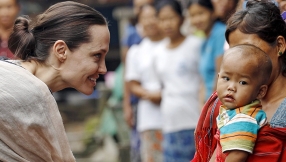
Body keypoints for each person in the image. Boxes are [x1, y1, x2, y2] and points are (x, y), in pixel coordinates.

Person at [0, 1, 109, 161]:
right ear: (61, 50)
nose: (103, 69)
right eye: (97, 56)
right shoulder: (32, 93)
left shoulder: (11, 73)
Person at [192, 0, 286, 162]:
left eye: (250, 49)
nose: (241, 62)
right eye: (235, 51)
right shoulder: (225, 103)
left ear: (279, 45)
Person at [154, 0, 203, 161]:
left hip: (195, 121)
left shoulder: (196, 45)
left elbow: (204, 80)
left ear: (181, 19)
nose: (167, 24)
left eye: (171, 18)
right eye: (162, 19)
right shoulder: (158, 52)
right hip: (169, 123)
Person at [216, 44, 272, 162]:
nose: (231, 87)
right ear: (218, 77)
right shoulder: (235, 111)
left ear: (260, 91)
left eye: (242, 82)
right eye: (226, 78)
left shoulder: (243, 118)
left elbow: (237, 156)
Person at [125, 4, 166, 162]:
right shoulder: (136, 51)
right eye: (145, 18)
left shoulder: (172, 45)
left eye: (153, 17)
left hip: (177, 114)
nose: (150, 22)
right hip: (150, 117)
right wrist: (151, 95)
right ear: (139, 22)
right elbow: (132, 83)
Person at [188, 0, 226, 101]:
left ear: (212, 13)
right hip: (209, 102)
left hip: (219, 102)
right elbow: (204, 80)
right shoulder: (204, 41)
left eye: (201, 13)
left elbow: (220, 74)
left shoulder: (220, 34)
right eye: (192, 15)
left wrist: (212, 106)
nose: (197, 20)